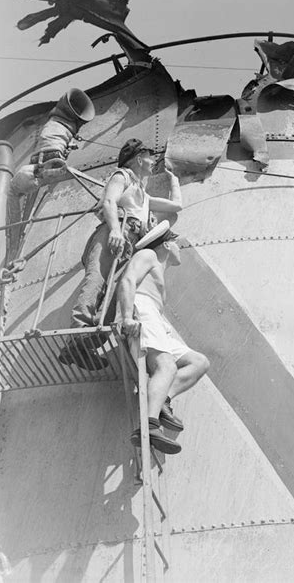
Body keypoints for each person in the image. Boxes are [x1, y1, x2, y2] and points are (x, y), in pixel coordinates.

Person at [59, 138, 182, 369]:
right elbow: (109, 200)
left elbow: (176, 206)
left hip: (131, 242)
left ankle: (89, 345)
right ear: (138, 158)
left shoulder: (144, 196)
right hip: (115, 231)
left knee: (115, 292)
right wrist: (115, 229)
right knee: (97, 279)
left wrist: (174, 179)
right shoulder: (122, 176)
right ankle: (77, 335)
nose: (153, 159)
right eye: (150, 155)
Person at [118, 228, 210, 454]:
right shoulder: (147, 256)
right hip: (143, 311)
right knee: (165, 366)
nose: (180, 248)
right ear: (167, 245)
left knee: (199, 362)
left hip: (156, 319)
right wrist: (127, 317)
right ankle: (148, 426)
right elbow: (127, 281)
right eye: (176, 243)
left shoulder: (159, 270)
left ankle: (162, 402)